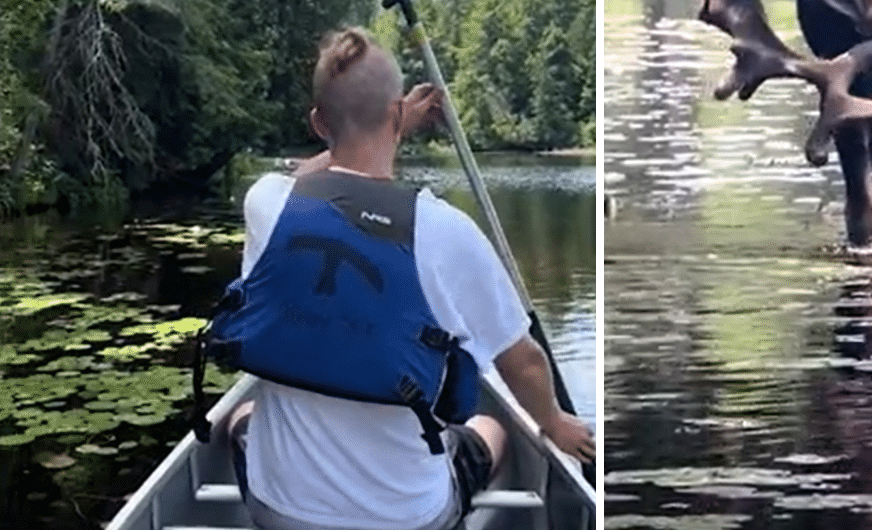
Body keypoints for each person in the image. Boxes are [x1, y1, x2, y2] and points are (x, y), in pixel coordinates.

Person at [221, 27, 595, 530]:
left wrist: (379, 126)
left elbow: (308, 180)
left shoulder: (265, 202)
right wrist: (552, 421)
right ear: (396, 114)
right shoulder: (447, 232)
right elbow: (523, 362)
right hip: (409, 519)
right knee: (494, 428)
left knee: (238, 418)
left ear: (317, 122)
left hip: (281, 512)